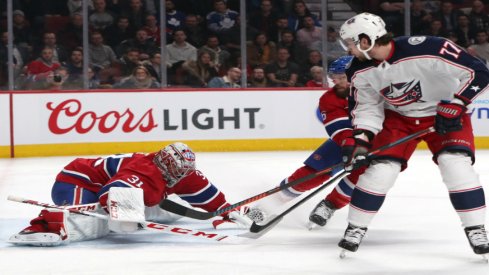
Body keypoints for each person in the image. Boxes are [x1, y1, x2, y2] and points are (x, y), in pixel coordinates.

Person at [337, 12, 489, 256]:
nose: (349, 50)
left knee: (455, 165)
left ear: (366, 40)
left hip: (445, 113)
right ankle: (355, 227)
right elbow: (366, 106)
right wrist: (362, 139)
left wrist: (459, 103)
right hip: (399, 119)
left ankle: (476, 228)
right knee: (381, 171)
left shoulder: (431, 48)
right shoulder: (358, 70)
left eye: (352, 43)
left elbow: (479, 73)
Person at [9, 142, 252, 247]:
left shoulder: (184, 172)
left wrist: (224, 211)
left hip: (109, 184)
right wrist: (126, 215)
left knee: (162, 205)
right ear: (165, 165)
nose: (181, 176)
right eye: (177, 171)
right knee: (92, 216)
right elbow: (110, 194)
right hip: (77, 180)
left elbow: (208, 197)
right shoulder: (143, 172)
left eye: (184, 172)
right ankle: (45, 226)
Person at [247, 56, 365, 228]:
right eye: (335, 78)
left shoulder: (377, 91)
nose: (337, 82)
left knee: (364, 178)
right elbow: (338, 128)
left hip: (376, 143)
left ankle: (328, 207)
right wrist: (349, 146)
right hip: (344, 142)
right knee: (310, 175)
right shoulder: (330, 98)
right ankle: (266, 206)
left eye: (342, 77)